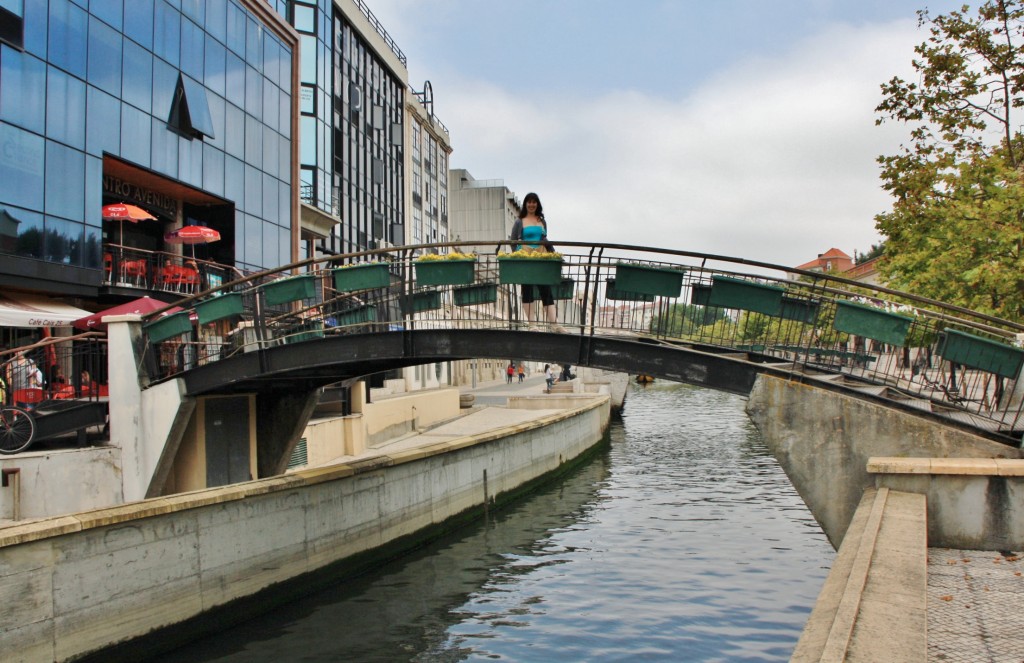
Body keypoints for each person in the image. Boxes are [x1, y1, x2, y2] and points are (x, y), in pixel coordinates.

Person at [509, 192, 562, 331]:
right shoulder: (519, 221)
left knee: (546, 289)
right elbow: (513, 241)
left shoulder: (541, 220)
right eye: (529, 202)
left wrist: (553, 253)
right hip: (526, 259)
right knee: (527, 289)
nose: (531, 204)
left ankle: (554, 324)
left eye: (534, 202)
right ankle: (532, 324)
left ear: (537, 204)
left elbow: (544, 238)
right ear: (525, 204)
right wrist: (517, 255)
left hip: (540, 258)